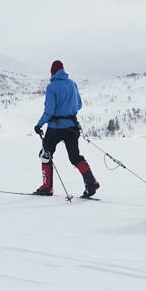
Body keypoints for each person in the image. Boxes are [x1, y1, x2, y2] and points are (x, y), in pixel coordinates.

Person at [33, 60, 100, 198]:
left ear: (52, 72)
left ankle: (47, 187)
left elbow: (49, 111)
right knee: (75, 157)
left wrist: (39, 125)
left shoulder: (51, 87)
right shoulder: (72, 84)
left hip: (55, 128)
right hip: (72, 127)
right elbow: (79, 105)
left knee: (46, 155)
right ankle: (91, 182)